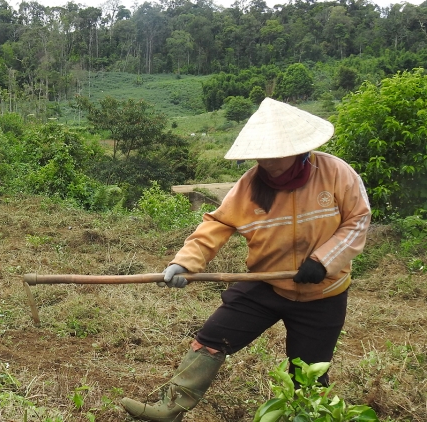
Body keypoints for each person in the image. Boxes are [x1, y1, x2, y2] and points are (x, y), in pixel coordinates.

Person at [121, 98, 371, 422]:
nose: (267, 163)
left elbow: (358, 220)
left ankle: (309, 414)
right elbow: (217, 223)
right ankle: (170, 407)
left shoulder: (336, 174)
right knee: (212, 338)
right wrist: (184, 262)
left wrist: (324, 260)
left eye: (275, 154)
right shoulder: (250, 186)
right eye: (261, 154)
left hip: (323, 293)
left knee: (308, 373)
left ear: (298, 148)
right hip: (266, 284)